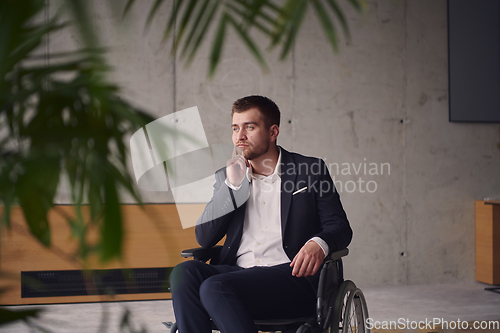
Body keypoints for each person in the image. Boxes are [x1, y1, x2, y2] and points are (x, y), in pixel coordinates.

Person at [169, 95, 352, 333]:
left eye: (250, 127)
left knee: (214, 287)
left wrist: (319, 243)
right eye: (235, 128)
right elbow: (204, 238)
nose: (239, 137)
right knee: (184, 273)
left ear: (273, 132)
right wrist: (232, 188)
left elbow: (339, 226)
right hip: (237, 273)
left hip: (291, 275)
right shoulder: (226, 177)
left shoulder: (309, 170)